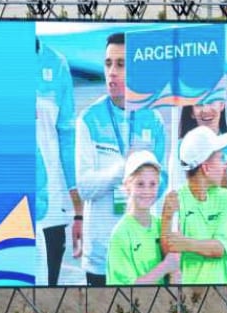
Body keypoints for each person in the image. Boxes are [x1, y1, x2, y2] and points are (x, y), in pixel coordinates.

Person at [76, 32, 168, 287]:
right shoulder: (88, 118)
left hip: (144, 253)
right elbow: (84, 187)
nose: (112, 72)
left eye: (121, 64)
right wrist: (124, 170)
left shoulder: (154, 120)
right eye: (108, 64)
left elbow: (163, 183)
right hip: (101, 254)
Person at [161, 126, 227, 286]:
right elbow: (169, 249)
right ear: (206, 168)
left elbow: (220, 248)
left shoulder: (225, 198)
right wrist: (167, 218)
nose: (225, 165)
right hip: (185, 297)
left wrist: (187, 244)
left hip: (218, 295)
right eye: (220, 158)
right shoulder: (176, 200)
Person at [36, 38, 83, 286]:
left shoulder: (56, 63)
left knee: (45, 294)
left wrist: (79, 211)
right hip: (8, 211)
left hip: (50, 208)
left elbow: (67, 137)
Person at [106, 151, 176, 286]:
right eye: (140, 184)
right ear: (127, 187)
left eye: (152, 184)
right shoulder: (121, 235)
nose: (147, 191)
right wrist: (165, 266)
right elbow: (127, 291)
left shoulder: (161, 226)